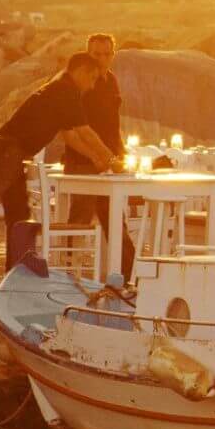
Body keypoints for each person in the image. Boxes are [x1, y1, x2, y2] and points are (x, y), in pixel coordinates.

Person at [0, 52, 122, 284]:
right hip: (9, 152)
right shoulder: (65, 91)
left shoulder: (61, 90)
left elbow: (71, 135)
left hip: (15, 154)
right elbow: (85, 131)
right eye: (92, 78)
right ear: (80, 71)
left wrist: (97, 159)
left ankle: (15, 271)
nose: (92, 85)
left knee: (19, 215)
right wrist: (110, 159)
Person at [61, 33, 136, 275]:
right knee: (80, 221)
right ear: (87, 55)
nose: (102, 59)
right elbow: (75, 129)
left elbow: (113, 125)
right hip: (83, 161)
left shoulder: (111, 81)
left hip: (110, 162)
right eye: (96, 54)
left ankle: (127, 277)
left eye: (107, 54)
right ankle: (69, 274)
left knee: (116, 222)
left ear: (113, 55)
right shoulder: (79, 83)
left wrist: (120, 154)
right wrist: (98, 156)